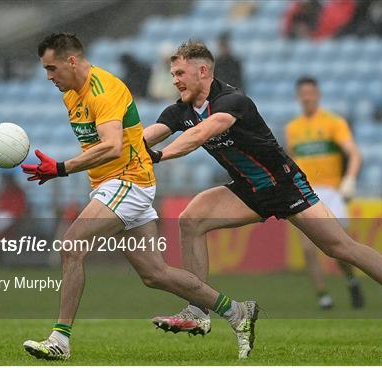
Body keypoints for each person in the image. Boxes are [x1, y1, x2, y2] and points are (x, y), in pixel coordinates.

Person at [143, 41, 382, 349]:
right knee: (190, 220)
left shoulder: (233, 100)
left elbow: (199, 135)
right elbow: (146, 136)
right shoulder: (180, 110)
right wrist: (116, 147)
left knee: (340, 247)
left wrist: (158, 156)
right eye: (173, 73)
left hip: (284, 185)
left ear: (203, 71)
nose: (175, 80)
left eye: (180, 73)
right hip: (249, 189)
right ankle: (197, 310)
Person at [20, 33, 258, 361]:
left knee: (72, 245)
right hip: (112, 185)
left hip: (128, 182)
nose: (48, 77)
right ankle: (236, 311)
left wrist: (62, 168)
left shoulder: (104, 89)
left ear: (71, 61)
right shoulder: (72, 95)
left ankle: (60, 340)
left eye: (52, 68)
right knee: (154, 274)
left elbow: (113, 145)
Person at [285, 76, 364, 309]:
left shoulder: (333, 122)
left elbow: (355, 154)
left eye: (311, 92)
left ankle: (351, 280)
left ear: (317, 94)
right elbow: (290, 162)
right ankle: (323, 296)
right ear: (298, 97)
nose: (307, 97)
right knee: (309, 248)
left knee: (340, 250)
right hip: (304, 192)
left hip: (331, 192)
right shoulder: (293, 128)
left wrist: (349, 180)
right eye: (303, 93)